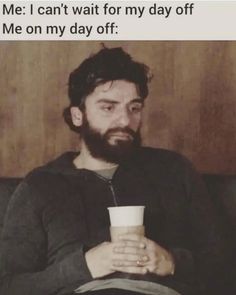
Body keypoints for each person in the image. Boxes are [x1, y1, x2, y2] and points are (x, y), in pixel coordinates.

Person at [0, 47, 229, 295]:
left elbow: (223, 264)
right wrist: (82, 266)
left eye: (134, 108)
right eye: (108, 108)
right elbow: (9, 285)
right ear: (78, 116)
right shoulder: (41, 186)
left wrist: (173, 262)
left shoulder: (174, 170)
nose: (124, 120)